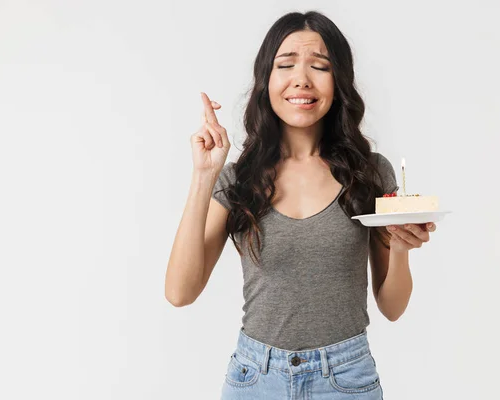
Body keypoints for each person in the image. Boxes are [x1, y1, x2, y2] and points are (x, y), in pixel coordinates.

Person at [165, 10, 437, 399]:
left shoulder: (370, 174)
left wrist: (401, 248)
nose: (302, 79)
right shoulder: (238, 180)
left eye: (319, 66)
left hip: (346, 380)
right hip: (255, 380)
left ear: (338, 81)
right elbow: (180, 292)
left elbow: (392, 307)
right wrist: (204, 175)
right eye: (287, 64)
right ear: (267, 80)